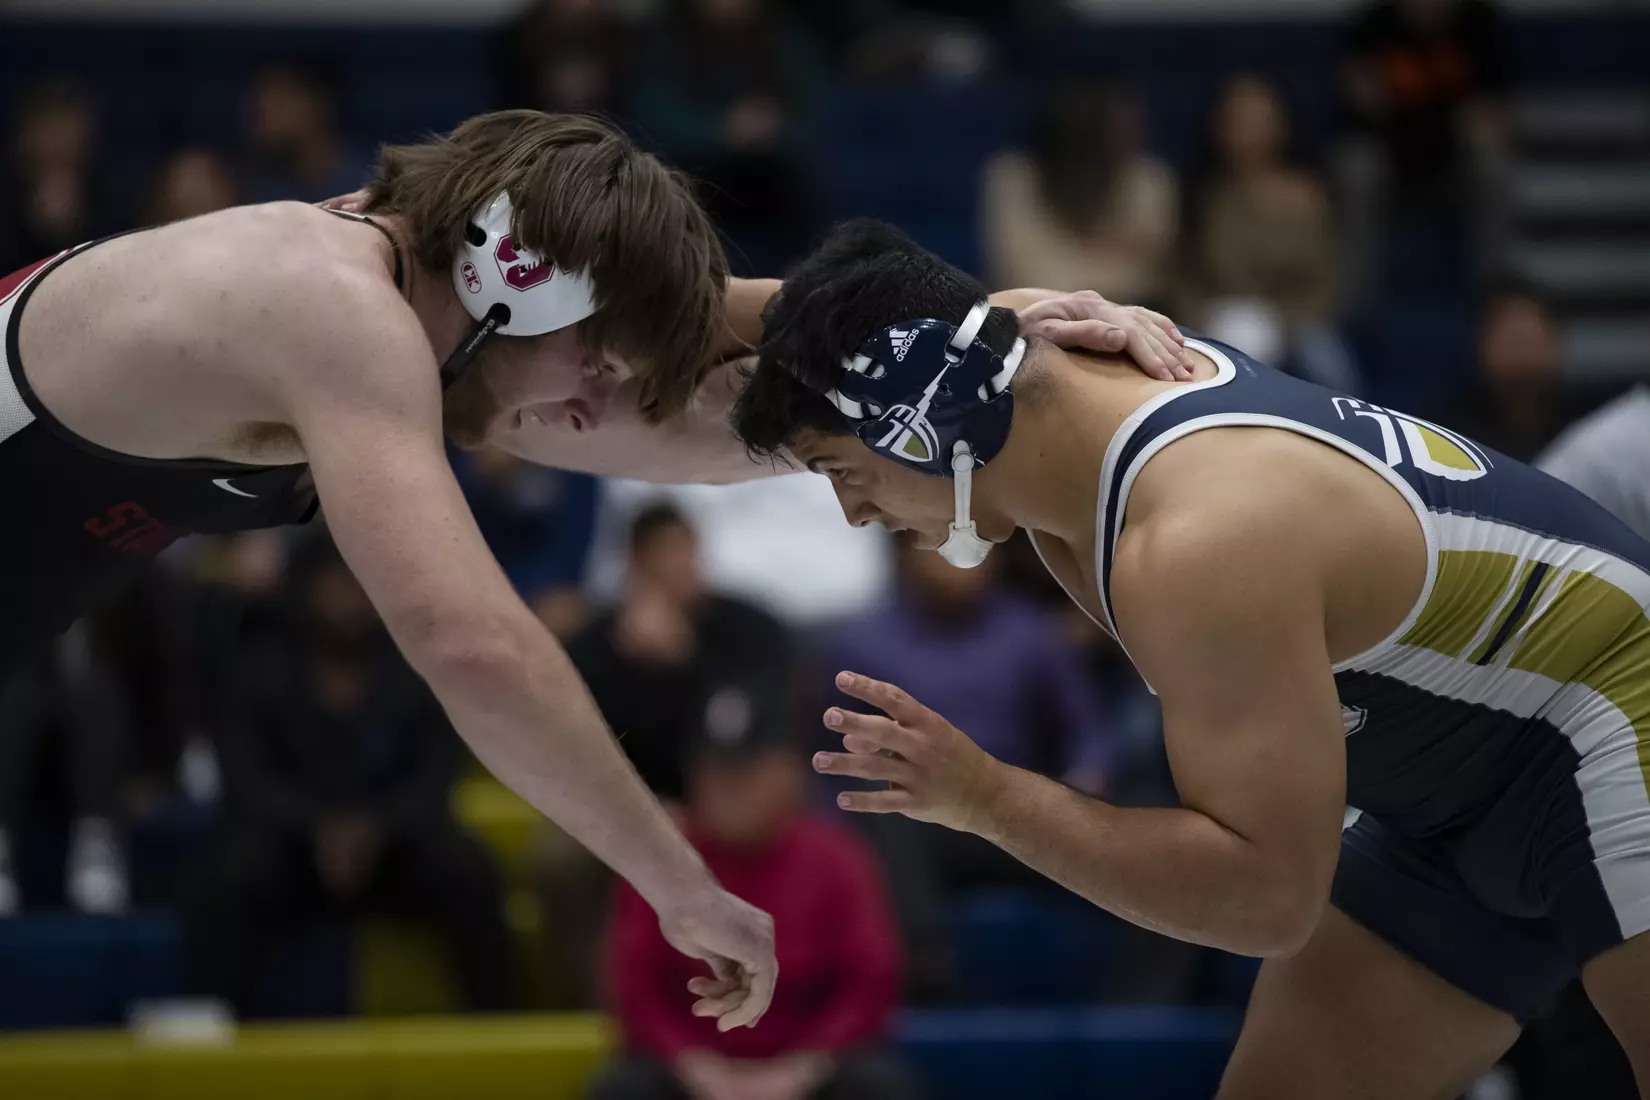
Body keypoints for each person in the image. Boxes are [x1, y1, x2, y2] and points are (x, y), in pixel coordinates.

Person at [731, 219, 1650, 1096]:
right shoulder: (1023, 366)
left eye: (841, 472)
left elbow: (1267, 901)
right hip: (1452, 790)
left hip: (1615, 709)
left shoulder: (1197, 539)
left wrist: (986, 798)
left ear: (918, 431)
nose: (854, 516)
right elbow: (823, 322)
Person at [0, 108, 776, 1029]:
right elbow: (473, 649)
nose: (588, 409)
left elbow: (691, 426)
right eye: (599, 366)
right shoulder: (333, 309)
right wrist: (679, 884)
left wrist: (922, 362)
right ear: (513, 287)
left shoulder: (402, 295)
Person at [189, 534, 517, 1014]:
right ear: (304, 589)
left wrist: (374, 829)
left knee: (468, 868)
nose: (349, 599)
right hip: (292, 848)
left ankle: (499, 1024)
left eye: (360, 584)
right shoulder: (259, 669)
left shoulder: (415, 669)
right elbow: (248, 779)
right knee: (226, 878)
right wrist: (317, 828)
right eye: (335, 584)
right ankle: (211, 1029)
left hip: (396, 846)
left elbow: (436, 771)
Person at [593, 696, 915, 1100]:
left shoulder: (837, 857)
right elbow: (633, 983)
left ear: (789, 772)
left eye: (746, 772)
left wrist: (806, 1066)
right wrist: (691, 1063)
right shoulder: (662, 858)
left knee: (879, 1086)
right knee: (623, 1090)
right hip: (690, 1072)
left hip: (810, 1069)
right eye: (716, 770)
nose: (729, 789)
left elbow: (871, 979)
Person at [1181, 73, 1358, 394]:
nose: (1245, 130)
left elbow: (1327, 276)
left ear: (1281, 124)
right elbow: (1183, 273)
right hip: (1219, 315)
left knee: (1330, 367)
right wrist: (1200, 313)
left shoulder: (1307, 195)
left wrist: (1287, 320)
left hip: (1295, 317)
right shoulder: (1202, 193)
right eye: (1236, 118)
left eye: (1257, 118)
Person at [982, 77, 1178, 306]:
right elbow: (1025, 277)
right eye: (1115, 127)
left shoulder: (1150, 180)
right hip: (1035, 321)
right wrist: (1112, 263)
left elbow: (1149, 281)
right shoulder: (1013, 178)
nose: (1136, 132)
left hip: (1134, 319)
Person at [1442, 289, 1570, 462]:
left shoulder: (1581, 425)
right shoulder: (1450, 432)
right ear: (1481, 345)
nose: (1522, 356)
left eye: (1530, 341)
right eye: (1511, 341)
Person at [243, 60, 373, 206]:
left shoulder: (371, 185)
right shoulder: (258, 185)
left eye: (280, 101)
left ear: (319, 105)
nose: (265, 113)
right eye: (260, 102)